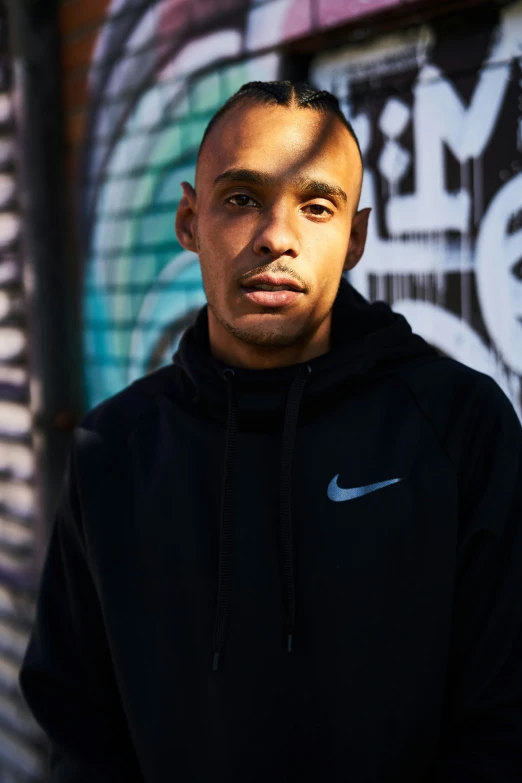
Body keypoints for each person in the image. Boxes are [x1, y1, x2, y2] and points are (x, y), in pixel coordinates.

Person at [19, 81, 522, 782]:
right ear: (189, 221)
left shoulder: (461, 427)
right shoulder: (114, 450)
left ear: (355, 238)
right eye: (241, 198)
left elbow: (506, 718)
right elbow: (77, 724)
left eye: (316, 207)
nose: (276, 237)